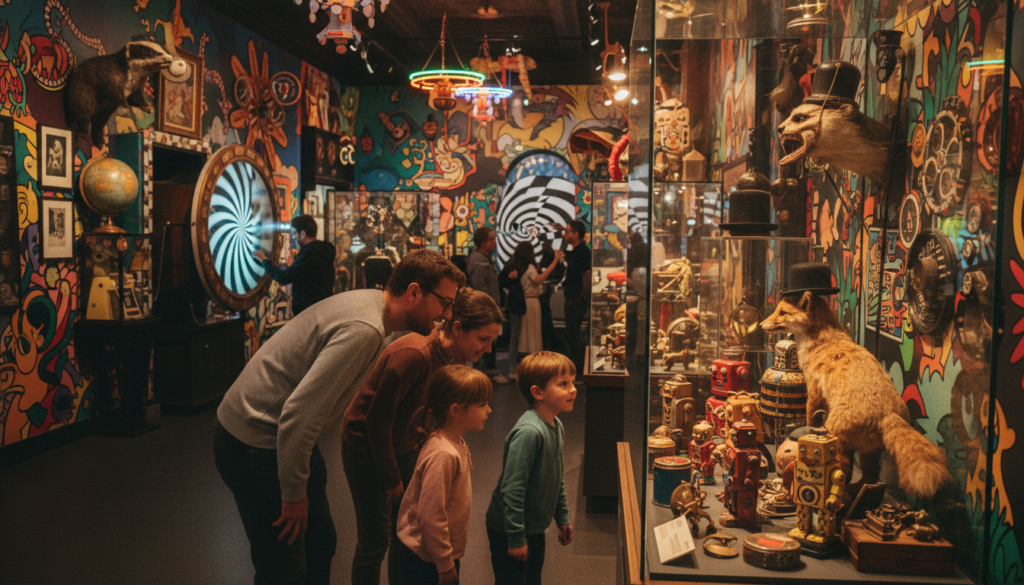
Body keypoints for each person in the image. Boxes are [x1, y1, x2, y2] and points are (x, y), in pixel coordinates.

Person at [213, 250, 465, 585]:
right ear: (414, 292)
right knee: (283, 566)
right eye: (444, 302)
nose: (446, 315)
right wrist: (292, 494)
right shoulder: (366, 329)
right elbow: (298, 415)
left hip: (280, 438)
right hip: (254, 443)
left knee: (320, 542)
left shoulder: (373, 308)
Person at [341, 289, 503, 585]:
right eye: (483, 339)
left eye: (493, 341)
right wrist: (391, 479)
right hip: (366, 447)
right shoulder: (414, 355)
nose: (489, 349)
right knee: (375, 541)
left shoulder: (457, 358)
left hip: (404, 443)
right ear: (457, 328)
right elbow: (376, 421)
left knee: (401, 533)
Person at [395, 365, 493, 585]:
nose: (489, 410)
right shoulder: (443, 454)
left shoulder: (453, 441)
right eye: (482, 404)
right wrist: (445, 563)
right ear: (456, 410)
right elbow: (430, 515)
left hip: (435, 555)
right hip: (427, 559)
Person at [486, 351, 576, 585]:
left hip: (533, 526)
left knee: (532, 579)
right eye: (563, 384)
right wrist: (516, 538)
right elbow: (512, 490)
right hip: (509, 529)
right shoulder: (529, 432)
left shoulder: (555, 424)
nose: (573, 389)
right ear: (538, 392)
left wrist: (562, 516)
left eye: (572, 382)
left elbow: (557, 476)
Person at [255, 214, 337, 316]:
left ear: (303, 234)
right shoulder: (322, 251)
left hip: (310, 316)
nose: (294, 237)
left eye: (295, 234)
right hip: (322, 313)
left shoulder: (309, 254)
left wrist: (263, 260)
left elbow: (283, 277)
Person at [466, 227, 508, 384]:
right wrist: (488, 308)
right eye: (491, 239)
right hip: (485, 310)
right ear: (483, 243)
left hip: (489, 308)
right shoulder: (479, 261)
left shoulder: (483, 259)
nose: (494, 242)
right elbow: (480, 288)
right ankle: (487, 372)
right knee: (485, 340)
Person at [512, 241, 563, 359]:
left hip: (528, 300)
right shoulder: (530, 267)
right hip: (532, 301)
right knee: (533, 331)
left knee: (527, 331)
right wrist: (555, 262)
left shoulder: (519, 266)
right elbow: (538, 280)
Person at [560, 220, 591, 377]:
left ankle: (580, 369)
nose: (565, 235)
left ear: (576, 234)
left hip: (576, 297)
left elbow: (585, 274)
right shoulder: (578, 251)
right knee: (572, 333)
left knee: (572, 333)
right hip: (575, 295)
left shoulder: (582, 251)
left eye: (567, 232)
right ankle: (579, 368)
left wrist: (582, 295)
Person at [538, 242, 565, 351]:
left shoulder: (543, 262)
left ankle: (550, 344)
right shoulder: (556, 263)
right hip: (547, 293)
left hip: (542, 294)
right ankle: (555, 344)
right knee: (546, 320)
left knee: (544, 321)